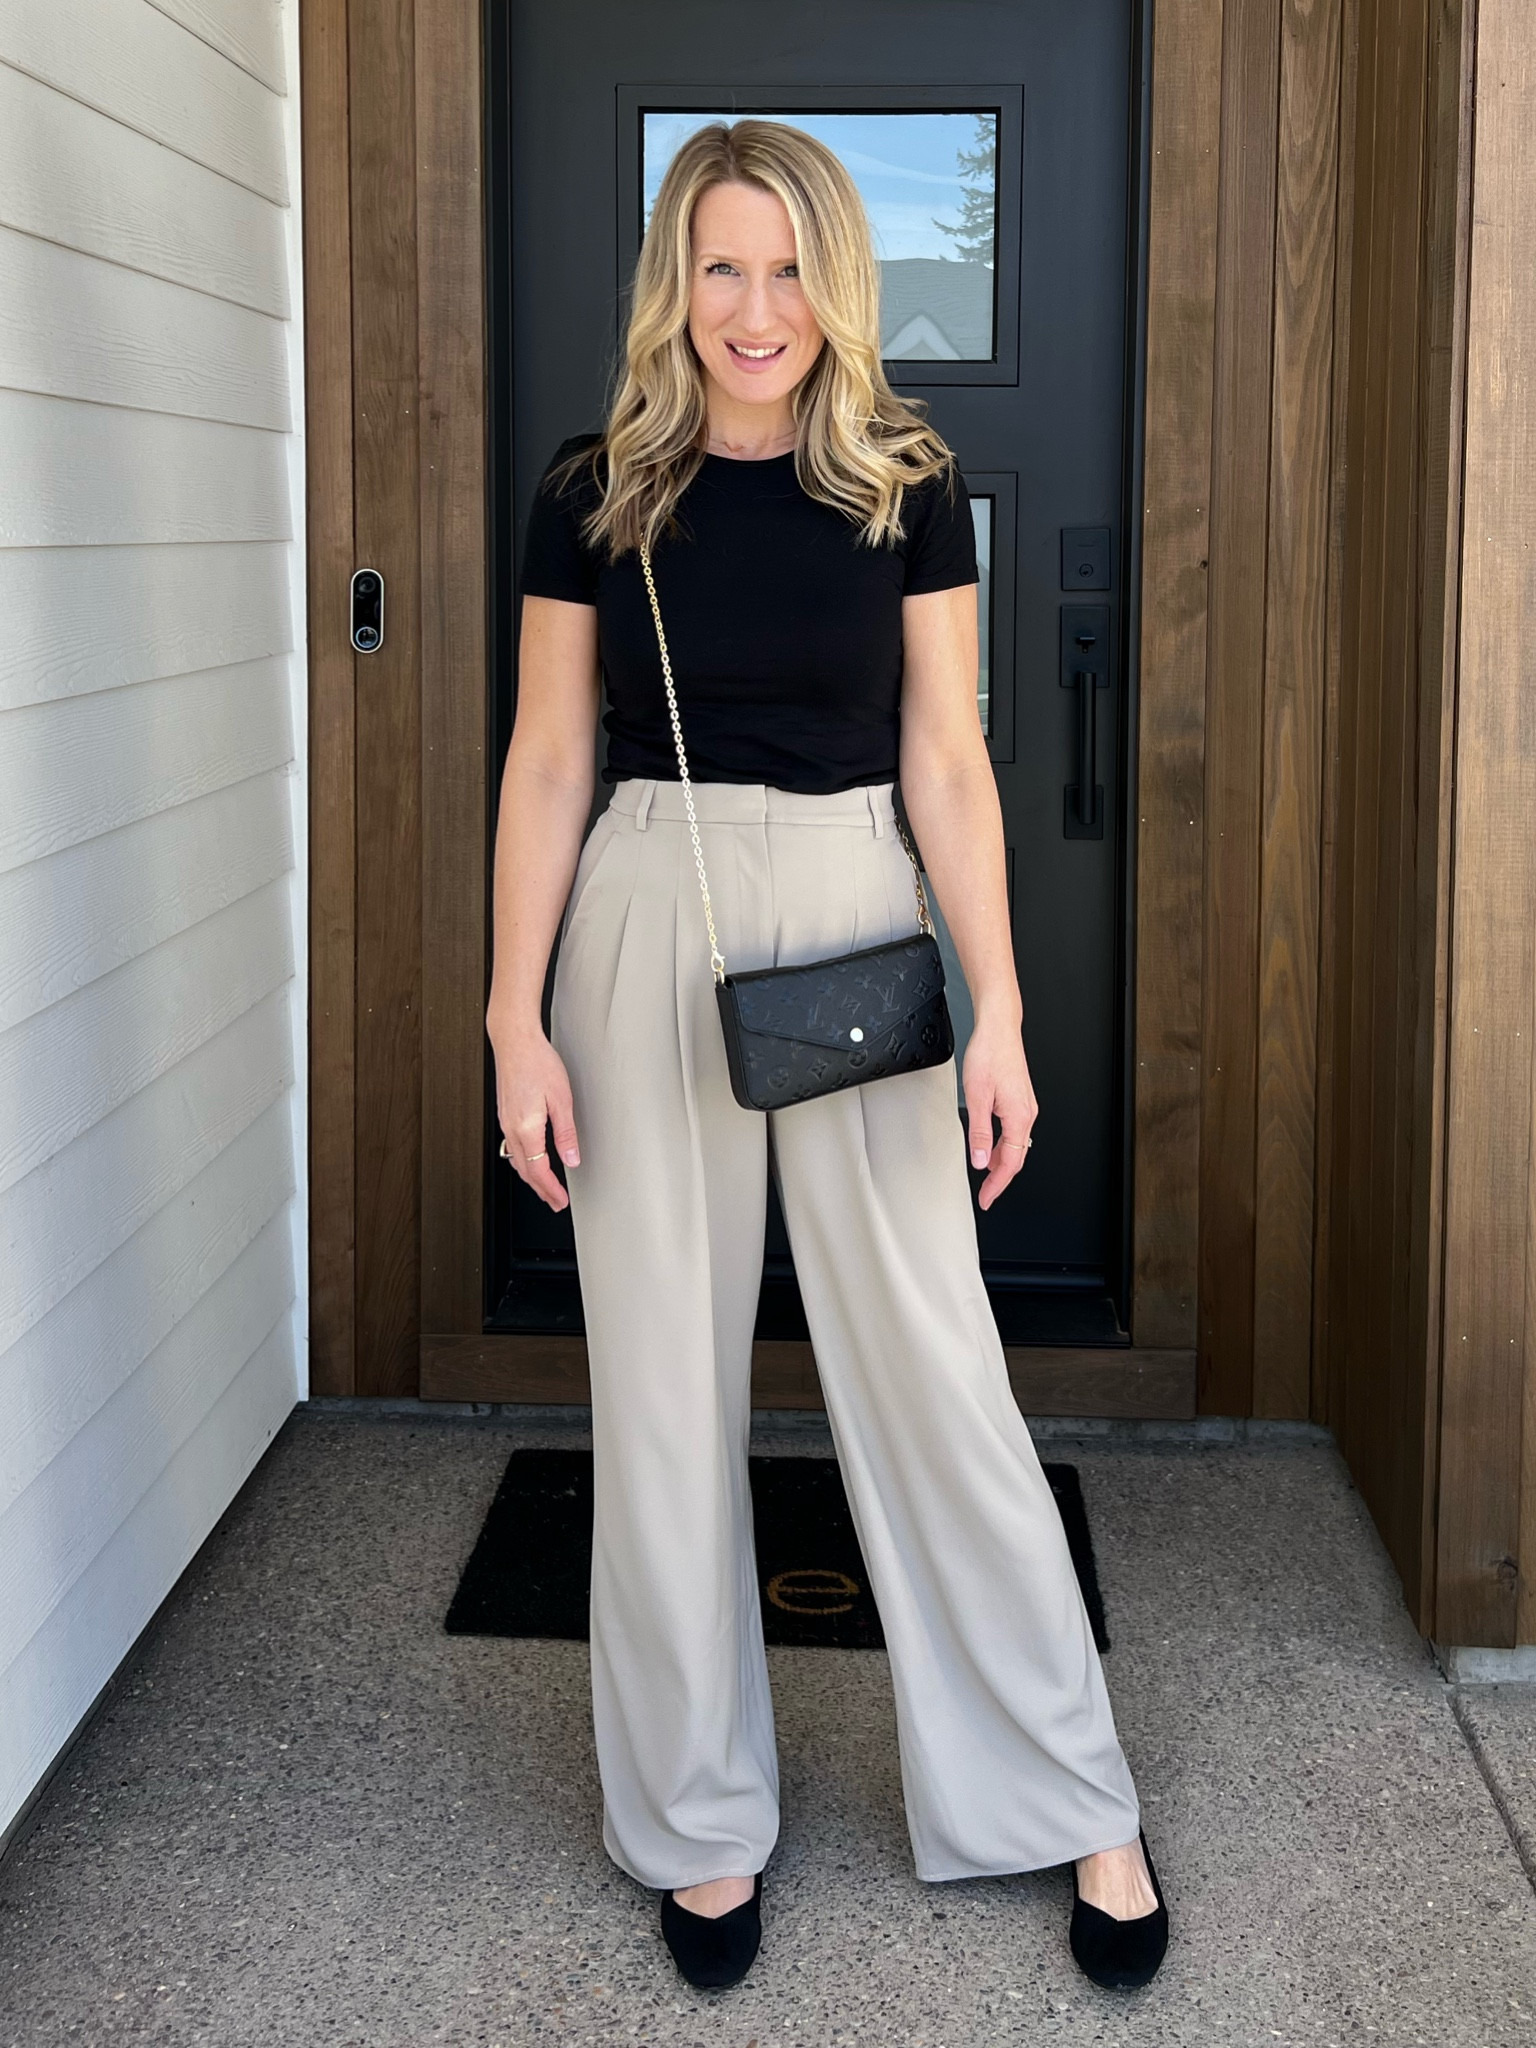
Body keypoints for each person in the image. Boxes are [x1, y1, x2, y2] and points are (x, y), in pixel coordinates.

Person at [485, 118, 1169, 1995]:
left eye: (786, 269)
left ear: (836, 281)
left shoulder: (908, 485)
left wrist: (1005, 1010)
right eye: (720, 267)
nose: (754, 308)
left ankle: (1067, 1789)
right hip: (648, 909)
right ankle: (700, 1825)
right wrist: (510, 1014)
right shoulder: (595, 489)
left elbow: (950, 759)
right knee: (664, 1393)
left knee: (938, 1368)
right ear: (673, 284)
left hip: (864, 915)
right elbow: (552, 758)